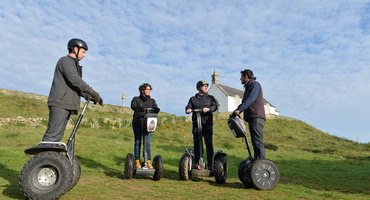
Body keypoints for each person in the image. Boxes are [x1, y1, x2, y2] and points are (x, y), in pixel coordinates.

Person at [42, 38, 103, 142]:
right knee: (52, 136)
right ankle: (43, 157)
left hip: (66, 104)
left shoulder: (74, 65)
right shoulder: (65, 61)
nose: (84, 55)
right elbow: (75, 80)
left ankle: (51, 157)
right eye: (83, 52)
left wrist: (89, 97)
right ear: (75, 49)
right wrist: (93, 92)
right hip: (59, 103)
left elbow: (75, 86)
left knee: (58, 136)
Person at [232, 69, 266, 160]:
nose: (240, 79)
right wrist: (236, 110)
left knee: (258, 141)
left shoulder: (255, 85)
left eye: (241, 77)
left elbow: (251, 99)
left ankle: (261, 163)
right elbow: (244, 102)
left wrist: (240, 110)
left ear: (246, 77)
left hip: (257, 116)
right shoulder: (249, 87)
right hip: (252, 117)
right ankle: (257, 162)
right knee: (255, 142)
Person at [185, 80, 218, 170]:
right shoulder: (193, 99)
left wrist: (209, 109)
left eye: (206, 86)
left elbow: (215, 107)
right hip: (196, 125)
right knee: (197, 144)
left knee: (209, 144)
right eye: (204, 86)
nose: (206, 87)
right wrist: (188, 109)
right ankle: (197, 163)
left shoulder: (210, 98)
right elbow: (188, 107)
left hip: (207, 124)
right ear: (199, 88)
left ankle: (211, 164)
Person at [131, 83, 160, 169]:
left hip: (148, 124)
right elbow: (133, 106)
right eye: (147, 89)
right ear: (142, 90)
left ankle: (148, 161)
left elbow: (156, 108)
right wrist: (138, 108)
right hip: (137, 123)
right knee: (138, 141)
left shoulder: (152, 101)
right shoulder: (136, 99)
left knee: (147, 143)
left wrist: (156, 109)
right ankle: (137, 161)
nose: (149, 91)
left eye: (150, 89)